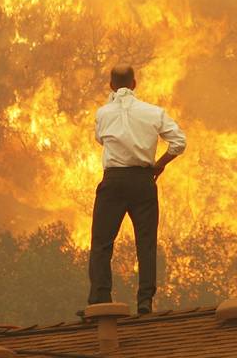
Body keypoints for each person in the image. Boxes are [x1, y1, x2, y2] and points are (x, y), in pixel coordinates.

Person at [86, 63, 186, 315]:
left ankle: (100, 301)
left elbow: (100, 139)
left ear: (111, 85)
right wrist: (160, 165)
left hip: (114, 181)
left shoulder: (103, 113)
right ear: (134, 84)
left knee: (101, 243)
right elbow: (179, 142)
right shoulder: (154, 112)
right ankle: (144, 302)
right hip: (143, 181)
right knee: (146, 243)